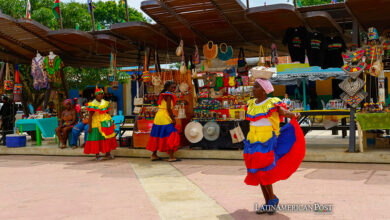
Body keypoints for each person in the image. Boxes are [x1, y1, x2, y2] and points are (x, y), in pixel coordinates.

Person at [245, 78, 305, 215]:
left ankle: (272, 199)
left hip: (267, 142)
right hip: (252, 142)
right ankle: (268, 202)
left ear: (264, 90)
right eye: (253, 87)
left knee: (264, 172)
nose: (253, 89)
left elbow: (283, 112)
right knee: (258, 173)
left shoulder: (272, 102)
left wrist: (293, 114)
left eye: (256, 87)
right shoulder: (251, 104)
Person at [146, 81, 180, 162]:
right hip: (165, 116)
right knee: (171, 135)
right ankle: (171, 157)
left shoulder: (163, 94)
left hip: (158, 117)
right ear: (167, 87)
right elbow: (168, 108)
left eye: (174, 87)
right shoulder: (168, 95)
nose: (173, 89)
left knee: (157, 135)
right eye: (172, 87)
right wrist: (173, 118)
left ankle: (154, 155)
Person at [84, 87, 117, 160]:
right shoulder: (93, 104)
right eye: (99, 94)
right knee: (97, 138)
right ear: (95, 95)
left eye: (102, 94)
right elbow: (90, 116)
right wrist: (89, 127)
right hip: (96, 123)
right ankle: (97, 155)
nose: (101, 95)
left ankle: (107, 153)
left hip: (105, 123)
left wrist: (110, 121)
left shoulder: (105, 102)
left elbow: (107, 112)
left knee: (106, 138)